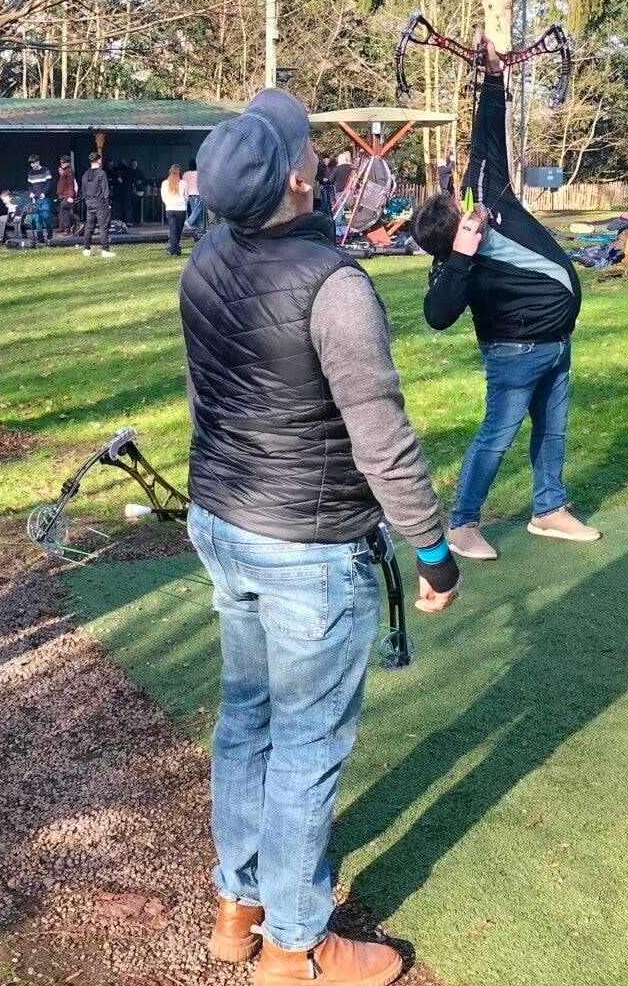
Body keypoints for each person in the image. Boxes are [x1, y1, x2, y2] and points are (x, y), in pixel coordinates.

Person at [179, 87, 459, 985]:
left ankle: (239, 908)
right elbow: (382, 438)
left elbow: (207, 397)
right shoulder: (336, 287)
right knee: (303, 747)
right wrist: (433, 550)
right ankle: (294, 945)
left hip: (225, 521)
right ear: (301, 181)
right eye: (307, 147)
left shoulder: (205, 258)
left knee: (246, 721)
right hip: (303, 547)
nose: (318, 154)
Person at [409, 37, 592, 560]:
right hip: (514, 353)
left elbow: (488, 136)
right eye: (462, 213)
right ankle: (463, 525)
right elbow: (437, 316)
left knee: (552, 432)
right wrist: (463, 255)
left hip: (557, 343)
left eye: (462, 201)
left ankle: (549, 510)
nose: (472, 207)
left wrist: (493, 77)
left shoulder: (486, 194)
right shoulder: (455, 265)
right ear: (455, 233)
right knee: (497, 436)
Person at [79, 151, 114, 257]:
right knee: (104, 227)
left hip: (89, 202)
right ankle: (105, 249)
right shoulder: (102, 174)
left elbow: (83, 191)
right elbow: (105, 190)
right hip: (100, 203)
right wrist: (108, 203)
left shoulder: (85, 175)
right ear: (99, 160)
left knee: (89, 227)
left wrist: (87, 200)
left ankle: (86, 249)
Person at [160, 163, 187, 256]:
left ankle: (174, 248)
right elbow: (186, 196)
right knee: (178, 231)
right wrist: (183, 204)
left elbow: (163, 197)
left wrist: (168, 204)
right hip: (181, 209)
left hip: (170, 209)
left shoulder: (165, 183)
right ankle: (175, 248)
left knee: (173, 230)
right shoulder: (183, 183)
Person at [56, 155, 78, 237]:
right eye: (61, 162)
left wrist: (70, 196)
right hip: (63, 195)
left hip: (67, 195)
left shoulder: (69, 171)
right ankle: (62, 227)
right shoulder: (65, 171)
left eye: (63, 162)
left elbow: (71, 184)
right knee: (62, 211)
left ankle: (68, 229)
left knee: (66, 211)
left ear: (68, 163)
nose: (61, 164)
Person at [182, 158, 203, 235]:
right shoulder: (198, 174)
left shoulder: (185, 174)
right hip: (197, 193)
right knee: (198, 209)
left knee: (195, 210)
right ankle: (189, 221)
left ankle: (199, 227)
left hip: (188, 194)